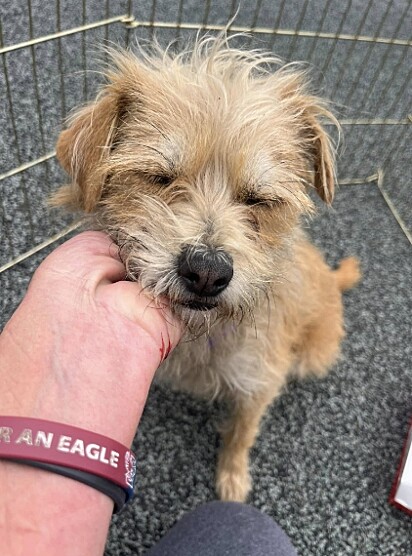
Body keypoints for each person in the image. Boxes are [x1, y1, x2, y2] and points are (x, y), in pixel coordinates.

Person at [0, 231, 297, 556]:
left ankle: (234, 449)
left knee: (264, 381)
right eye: (161, 179)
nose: (207, 268)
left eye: (256, 201)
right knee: (250, 536)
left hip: (267, 337)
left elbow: (261, 389)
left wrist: (235, 457)